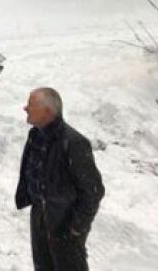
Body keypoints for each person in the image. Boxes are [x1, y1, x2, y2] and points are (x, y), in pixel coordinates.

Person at [16, 88, 104, 271]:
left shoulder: (73, 142)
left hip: (64, 222)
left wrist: (76, 228)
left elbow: (93, 191)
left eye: (31, 104)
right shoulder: (36, 135)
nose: (26, 108)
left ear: (47, 111)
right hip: (40, 217)